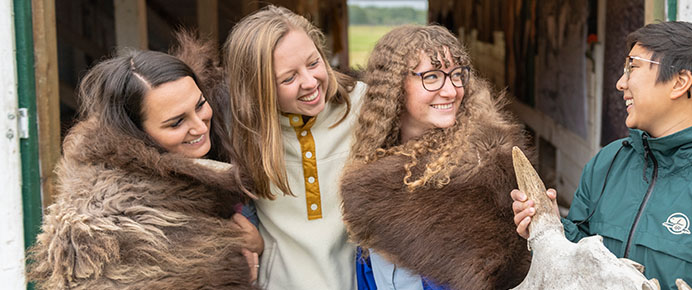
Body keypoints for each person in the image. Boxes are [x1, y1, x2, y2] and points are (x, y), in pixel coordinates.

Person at [511, 21, 692, 290]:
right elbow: (574, 264)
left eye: (632, 67)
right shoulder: (608, 164)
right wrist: (547, 232)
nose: (620, 83)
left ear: (679, 82)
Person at [27, 36, 260, 289]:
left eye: (200, 105)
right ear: (137, 133)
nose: (198, 126)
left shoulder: (213, 139)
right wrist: (238, 262)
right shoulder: (117, 214)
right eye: (176, 122)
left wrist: (254, 242)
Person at [340, 25, 531, 290]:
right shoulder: (369, 173)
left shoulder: (487, 170)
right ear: (394, 85)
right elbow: (370, 276)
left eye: (456, 74)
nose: (451, 91)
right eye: (431, 77)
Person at [223, 5, 366, 290]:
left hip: (358, 281)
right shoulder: (243, 132)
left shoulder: (365, 106)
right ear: (257, 89)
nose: (310, 82)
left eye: (313, 63)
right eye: (288, 78)